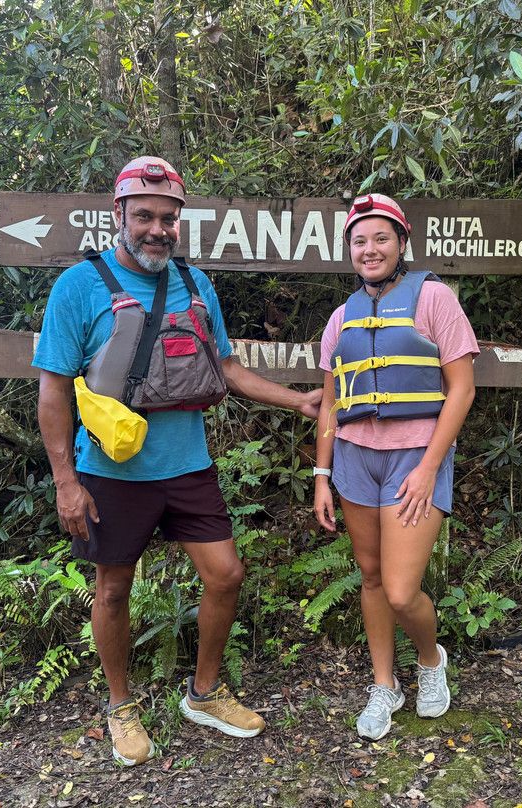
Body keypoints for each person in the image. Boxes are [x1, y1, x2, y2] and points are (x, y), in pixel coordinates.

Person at [33, 156, 322, 767]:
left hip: (188, 463)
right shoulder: (78, 287)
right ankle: (120, 706)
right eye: (144, 216)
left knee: (225, 576)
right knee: (113, 591)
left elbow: (230, 368)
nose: (157, 228)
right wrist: (65, 481)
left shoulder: (196, 284)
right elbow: (53, 390)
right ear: (119, 215)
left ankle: (205, 692)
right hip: (112, 472)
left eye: (168, 218)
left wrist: (299, 402)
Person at [312, 193, 478, 740]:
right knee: (372, 577)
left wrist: (430, 466)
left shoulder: (434, 298)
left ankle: (430, 660)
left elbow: (461, 389)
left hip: (415, 457)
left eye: (380, 238)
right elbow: (332, 404)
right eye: (359, 241)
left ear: (402, 242)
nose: (370, 249)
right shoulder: (340, 318)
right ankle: (384, 684)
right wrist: (321, 475)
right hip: (356, 460)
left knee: (403, 590)